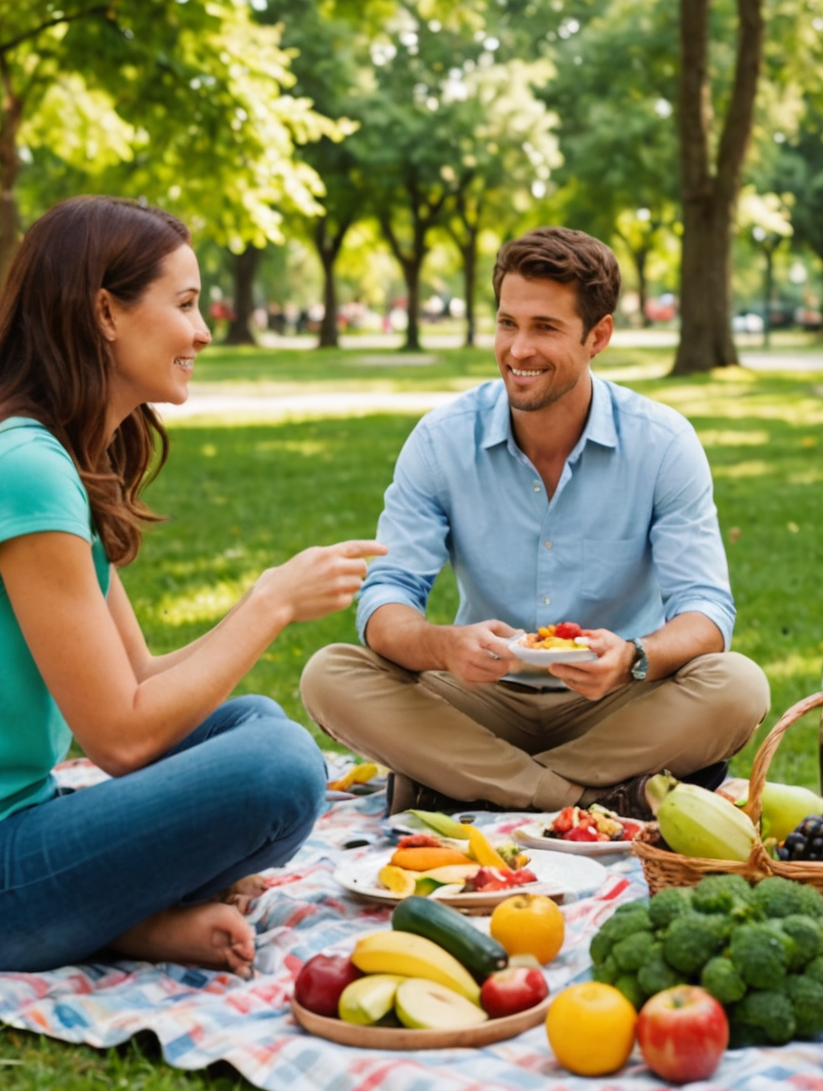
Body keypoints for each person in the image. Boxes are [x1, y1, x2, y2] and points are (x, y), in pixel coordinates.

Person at [0, 196, 383, 977]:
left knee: (253, 722)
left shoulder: (52, 458)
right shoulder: (23, 471)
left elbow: (140, 686)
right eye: (185, 304)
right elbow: (122, 740)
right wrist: (272, 604)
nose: (201, 332)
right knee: (280, 768)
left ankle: (127, 920)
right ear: (104, 312)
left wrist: (258, 608)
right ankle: (117, 916)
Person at [300, 227, 769, 817]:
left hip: (617, 702)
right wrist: (445, 646)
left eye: (544, 328)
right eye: (506, 323)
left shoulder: (663, 443)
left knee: (739, 685)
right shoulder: (442, 440)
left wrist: (633, 657)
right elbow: (386, 598)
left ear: (598, 336)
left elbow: (706, 611)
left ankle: (458, 784)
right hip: (478, 698)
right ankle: (589, 799)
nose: (518, 350)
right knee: (330, 674)